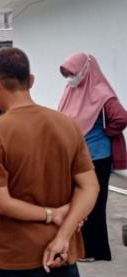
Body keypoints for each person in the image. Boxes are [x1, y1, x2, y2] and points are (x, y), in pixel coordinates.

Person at [0, 47, 99, 277]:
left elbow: (3, 202)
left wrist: (51, 214)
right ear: (30, 80)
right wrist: (62, 235)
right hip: (61, 253)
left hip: (14, 256)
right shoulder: (67, 124)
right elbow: (89, 186)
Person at [58, 53, 127, 262]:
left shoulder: (101, 93)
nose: (70, 77)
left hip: (97, 157)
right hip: (76, 155)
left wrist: (105, 133)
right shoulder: (72, 90)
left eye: (73, 72)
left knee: (94, 204)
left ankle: (96, 251)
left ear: (86, 70)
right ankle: (81, 247)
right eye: (67, 74)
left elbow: (121, 117)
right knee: (77, 202)